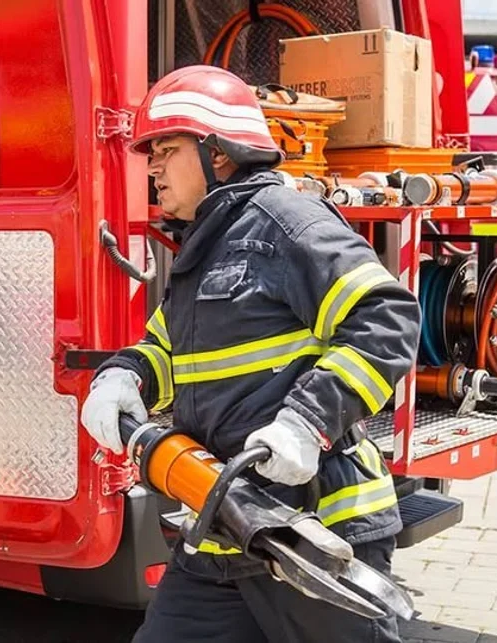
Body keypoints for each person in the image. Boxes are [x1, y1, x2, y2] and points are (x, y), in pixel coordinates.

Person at [80, 64, 421, 643]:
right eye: (150, 154)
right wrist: (123, 377)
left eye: (166, 150)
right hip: (222, 528)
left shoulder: (285, 223)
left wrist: (307, 423)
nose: (152, 167)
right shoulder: (205, 245)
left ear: (218, 153)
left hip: (314, 533)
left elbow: (385, 318)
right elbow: (167, 347)